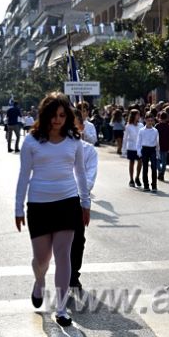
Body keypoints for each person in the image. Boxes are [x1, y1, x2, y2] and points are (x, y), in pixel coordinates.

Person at [14, 92, 91, 327]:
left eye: (61, 115)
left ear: (67, 116)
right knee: (41, 259)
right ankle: (39, 282)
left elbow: (80, 173)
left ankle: (61, 308)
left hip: (67, 203)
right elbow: (23, 176)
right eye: (53, 115)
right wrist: (18, 208)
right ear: (44, 115)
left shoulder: (74, 141)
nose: (57, 120)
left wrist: (85, 203)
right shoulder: (31, 142)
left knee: (63, 256)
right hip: (38, 205)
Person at [70, 108, 98, 292]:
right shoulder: (54, 146)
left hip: (77, 199)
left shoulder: (89, 151)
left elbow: (89, 177)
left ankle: (73, 275)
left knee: (78, 240)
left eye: (74, 123)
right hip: (57, 198)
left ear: (81, 126)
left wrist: (84, 201)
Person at [136, 112, 159, 192]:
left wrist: (157, 153)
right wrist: (139, 152)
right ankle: (146, 185)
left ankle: (154, 185)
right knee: (145, 168)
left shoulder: (155, 131)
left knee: (154, 168)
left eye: (151, 120)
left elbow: (157, 142)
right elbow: (138, 142)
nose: (149, 122)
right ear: (145, 120)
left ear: (153, 121)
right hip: (145, 149)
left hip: (152, 149)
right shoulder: (141, 130)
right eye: (148, 120)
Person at [122, 109, 142, 187]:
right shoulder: (128, 126)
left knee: (140, 162)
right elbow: (125, 138)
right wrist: (123, 150)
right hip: (131, 147)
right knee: (132, 162)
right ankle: (131, 179)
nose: (139, 116)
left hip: (139, 147)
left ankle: (137, 177)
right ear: (133, 116)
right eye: (137, 115)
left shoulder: (141, 125)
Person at [155, 111, 169, 181]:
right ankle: (162, 173)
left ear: (159, 118)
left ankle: (159, 171)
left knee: (157, 160)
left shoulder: (157, 126)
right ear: (166, 118)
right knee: (164, 161)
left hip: (158, 145)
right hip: (166, 145)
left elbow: (154, 136)